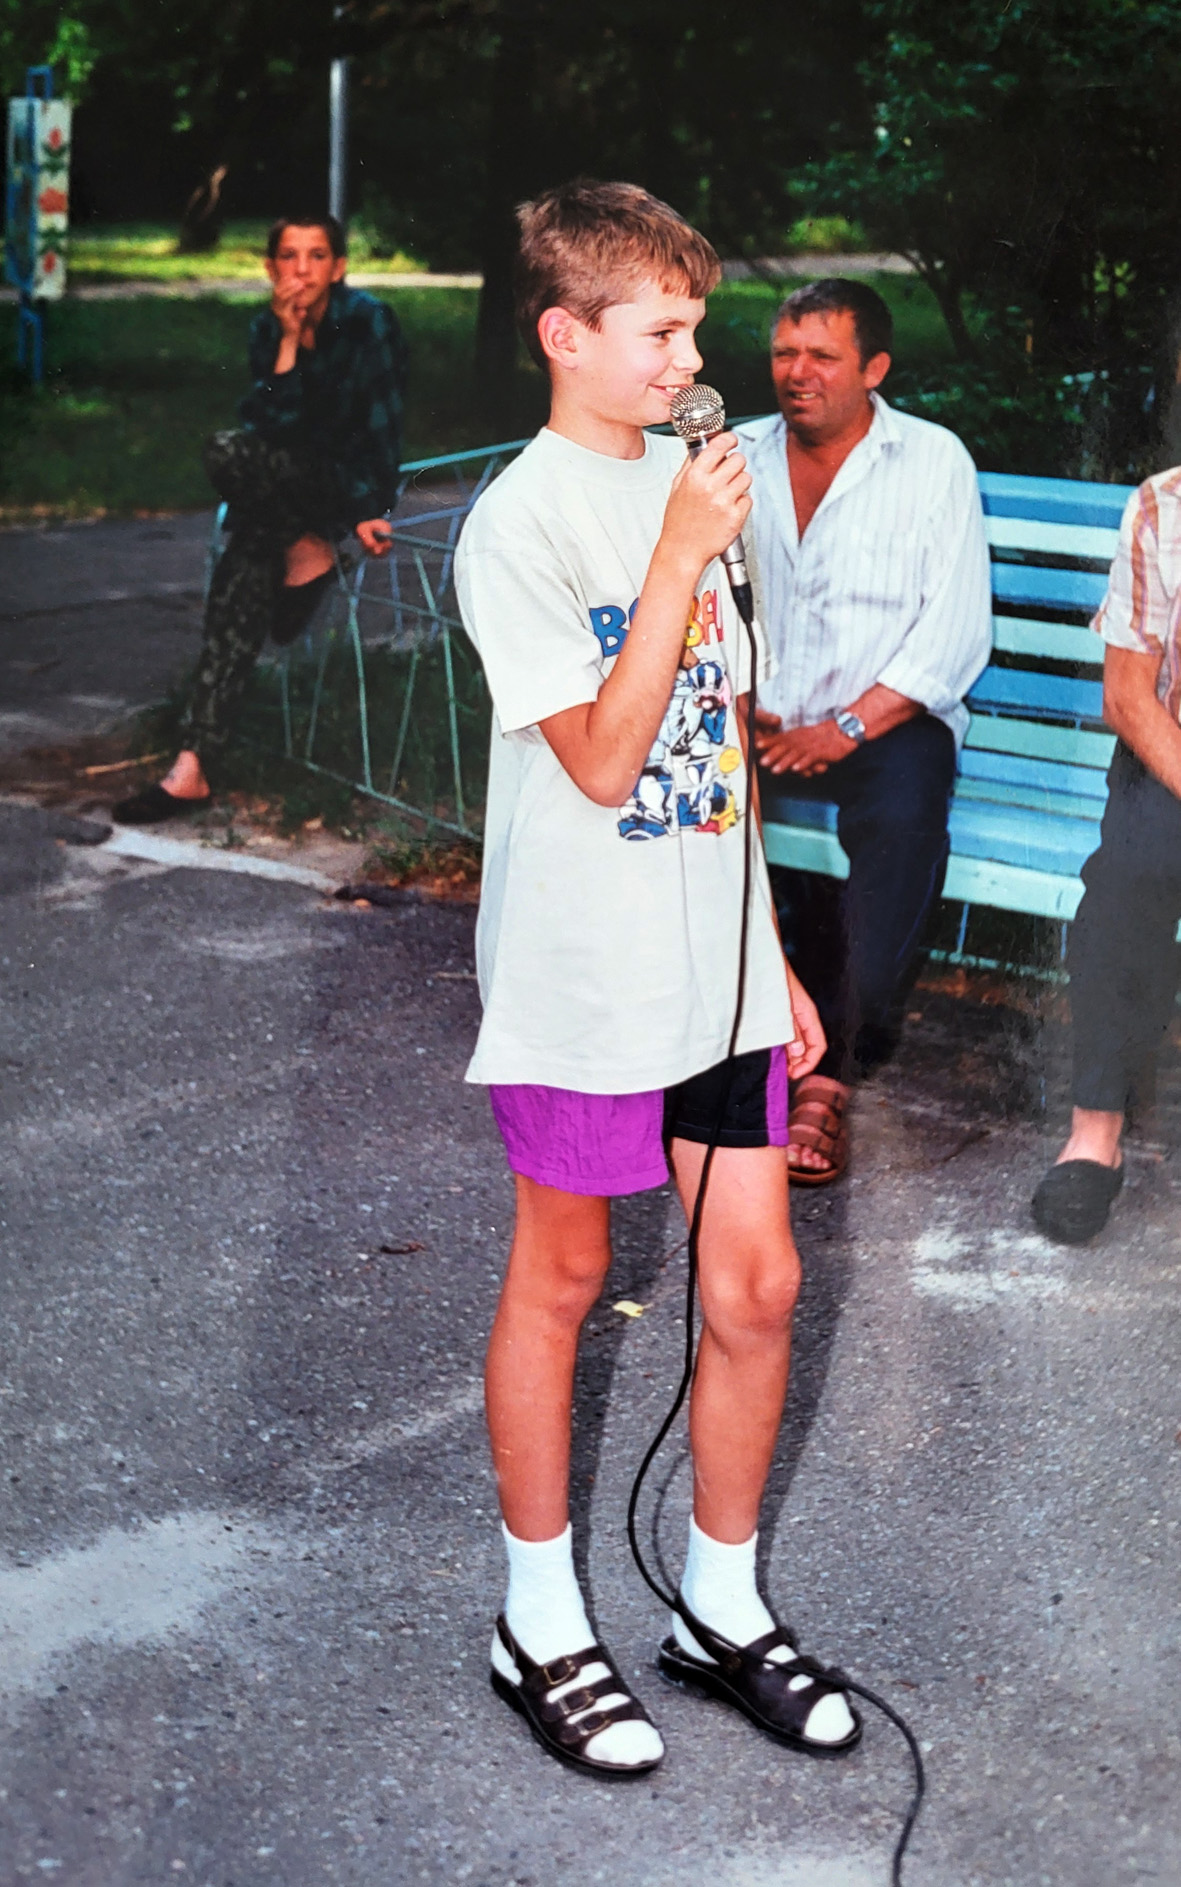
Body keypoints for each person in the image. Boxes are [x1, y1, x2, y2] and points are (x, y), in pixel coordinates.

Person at [454, 180, 860, 1780]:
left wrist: (770, 953)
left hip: (714, 966)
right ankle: (539, 1617)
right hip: (583, 975)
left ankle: (717, 1601)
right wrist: (682, 557)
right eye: (663, 333)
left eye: (697, 330)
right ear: (566, 335)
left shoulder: (695, 485)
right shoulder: (523, 523)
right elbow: (609, 759)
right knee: (564, 1278)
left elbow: (720, 757)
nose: (695, 364)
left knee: (755, 1284)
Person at [735, 280, 991, 1185]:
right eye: (783, 353)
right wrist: (735, 697)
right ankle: (707, 1041)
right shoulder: (732, 457)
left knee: (902, 822)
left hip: (887, 719)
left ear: (873, 367)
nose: (796, 372)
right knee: (684, 800)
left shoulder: (930, 461)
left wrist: (844, 727)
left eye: (822, 356)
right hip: (760, 717)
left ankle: (827, 1075)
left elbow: (954, 635)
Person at [115, 214, 408, 825]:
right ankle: (192, 766)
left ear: (338, 267)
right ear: (271, 267)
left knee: (229, 461)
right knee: (243, 567)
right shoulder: (265, 327)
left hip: (339, 484)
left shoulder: (368, 321)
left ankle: (309, 545)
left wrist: (369, 509)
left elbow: (381, 421)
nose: (303, 269)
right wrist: (288, 341)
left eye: (317, 256)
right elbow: (268, 425)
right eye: (290, 256)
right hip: (286, 494)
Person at [1032, 472, 1181, 1243]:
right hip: (1172, 754)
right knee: (1125, 881)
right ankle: (1095, 1132)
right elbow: (1127, 697)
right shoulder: (1165, 505)